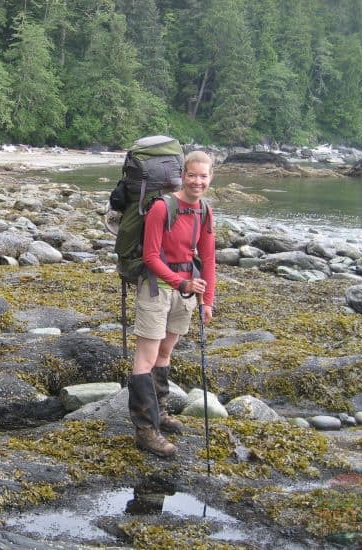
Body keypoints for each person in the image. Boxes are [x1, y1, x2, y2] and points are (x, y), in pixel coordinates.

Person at [127, 150, 216, 458]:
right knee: (146, 357)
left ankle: (160, 413)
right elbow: (151, 257)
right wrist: (181, 284)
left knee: (165, 353)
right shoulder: (161, 209)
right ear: (182, 175)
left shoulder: (204, 211)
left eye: (203, 176)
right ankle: (146, 431)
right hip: (157, 289)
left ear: (210, 179)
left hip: (186, 292)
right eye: (192, 175)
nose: (197, 181)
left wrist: (208, 300)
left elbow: (208, 258)